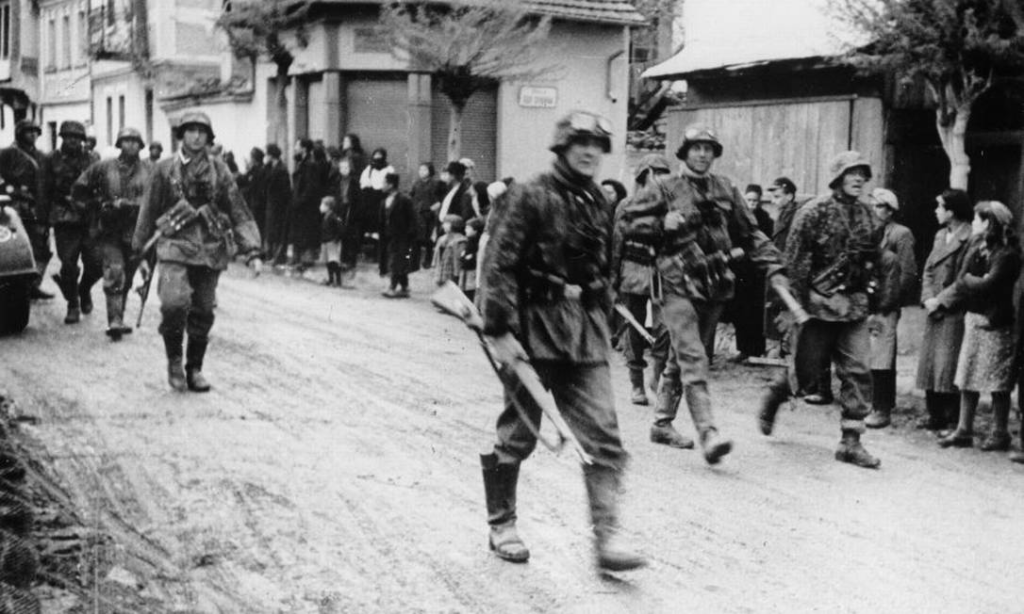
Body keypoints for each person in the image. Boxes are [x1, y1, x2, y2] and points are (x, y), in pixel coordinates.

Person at [477, 110, 645, 571]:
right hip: (533, 330)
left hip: (584, 334)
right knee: (518, 433)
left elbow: (605, 268)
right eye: (580, 144)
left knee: (604, 436)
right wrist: (499, 330)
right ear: (562, 148)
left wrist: (603, 313)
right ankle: (502, 524)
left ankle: (607, 539)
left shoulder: (599, 202)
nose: (589, 152)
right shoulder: (528, 195)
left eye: (596, 145)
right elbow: (499, 264)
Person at [622, 125, 787, 464]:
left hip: (714, 283)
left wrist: (776, 265)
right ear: (684, 152)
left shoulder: (726, 188)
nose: (702, 154)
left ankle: (661, 423)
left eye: (708, 148)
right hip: (676, 282)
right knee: (693, 356)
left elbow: (750, 232)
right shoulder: (663, 187)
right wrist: (660, 225)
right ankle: (708, 433)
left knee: (682, 355)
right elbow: (627, 223)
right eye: (696, 148)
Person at [758, 151, 883, 469]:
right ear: (838, 177)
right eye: (852, 173)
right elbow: (795, 261)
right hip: (816, 306)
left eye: (862, 174)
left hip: (853, 307)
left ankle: (851, 441)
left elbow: (873, 262)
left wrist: (871, 302)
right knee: (806, 374)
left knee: (858, 370)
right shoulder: (813, 212)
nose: (858, 179)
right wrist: (799, 305)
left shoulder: (869, 217)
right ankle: (777, 394)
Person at [132, 111, 263, 392]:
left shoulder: (219, 170)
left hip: (209, 249)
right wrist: (140, 251)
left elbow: (237, 209)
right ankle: (174, 361)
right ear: (182, 135)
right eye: (190, 130)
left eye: (202, 131)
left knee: (203, 311)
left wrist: (252, 251)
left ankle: (194, 368)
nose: (196, 136)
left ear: (209, 137)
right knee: (173, 304)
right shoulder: (164, 169)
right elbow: (148, 210)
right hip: (173, 246)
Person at [936, 201, 1021, 450]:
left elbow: (989, 284)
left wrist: (973, 280)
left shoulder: (1007, 254)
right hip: (974, 319)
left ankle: (1000, 433)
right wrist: (975, 279)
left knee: (998, 380)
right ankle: (964, 430)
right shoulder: (977, 247)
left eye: (976, 219)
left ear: (988, 223)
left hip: (995, 323)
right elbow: (963, 277)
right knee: (968, 374)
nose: (972, 223)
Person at [71, 127, 152, 340]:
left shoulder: (149, 170)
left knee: (128, 277)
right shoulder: (103, 167)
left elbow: (159, 197)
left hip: (136, 232)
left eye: (135, 141)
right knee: (115, 272)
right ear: (119, 144)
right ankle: (114, 320)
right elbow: (79, 189)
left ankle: (119, 316)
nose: (131, 145)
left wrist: (137, 206)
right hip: (110, 230)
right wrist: (97, 206)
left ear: (141, 145)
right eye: (126, 140)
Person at [612, 154, 671, 409]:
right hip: (633, 271)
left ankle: (655, 378)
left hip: (664, 274)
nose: (663, 179)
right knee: (633, 327)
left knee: (665, 329)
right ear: (646, 175)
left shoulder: (673, 207)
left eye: (666, 173)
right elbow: (617, 243)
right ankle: (636, 382)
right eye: (659, 173)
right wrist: (613, 279)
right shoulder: (627, 206)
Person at [863, 188, 918, 428]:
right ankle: (876, 402)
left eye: (879, 206)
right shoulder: (871, 232)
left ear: (890, 210)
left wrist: (892, 301)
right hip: (871, 301)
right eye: (873, 206)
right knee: (873, 353)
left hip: (887, 303)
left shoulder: (900, 233)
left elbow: (907, 272)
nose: (875, 210)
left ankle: (882, 408)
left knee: (882, 355)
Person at [41, 120, 98, 324]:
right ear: (62, 138)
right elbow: (44, 191)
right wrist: (43, 222)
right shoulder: (51, 159)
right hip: (64, 217)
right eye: (68, 137)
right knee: (68, 264)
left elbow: (101, 185)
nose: (73, 141)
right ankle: (73, 305)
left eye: (77, 137)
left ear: (82, 140)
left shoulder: (92, 158)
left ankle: (84, 289)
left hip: (89, 216)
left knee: (96, 263)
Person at [0, 119, 54, 300]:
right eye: (28, 131)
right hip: (14, 207)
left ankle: (34, 286)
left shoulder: (43, 157)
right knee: (14, 246)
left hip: (37, 207)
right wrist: (12, 190)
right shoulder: (7, 153)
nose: (32, 134)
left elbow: (48, 184)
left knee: (42, 248)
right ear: (20, 133)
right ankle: (13, 287)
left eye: (35, 131)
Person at [727, 183, 775, 362]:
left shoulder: (765, 220)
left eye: (755, 200)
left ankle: (756, 350)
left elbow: (765, 245)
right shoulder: (737, 219)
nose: (752, 204)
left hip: (757, 273)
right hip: (741, 272)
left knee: (756, 313)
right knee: (740, 312)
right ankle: (743, 349)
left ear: (760, 201)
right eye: (749, 200)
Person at [289, 139, 326, 271]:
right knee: (300, 232)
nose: (295, 148)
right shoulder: (302, 164)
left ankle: (306, 260)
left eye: (297, 146)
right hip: (300, 205)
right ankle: (299, 259)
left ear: (304, 149)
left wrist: (300, 200)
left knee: (306, 233)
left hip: (306, 207)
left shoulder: (310, 165)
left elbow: (311, 187)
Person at [379, 173, 416, 298]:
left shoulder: (404, 200)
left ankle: (392, 287)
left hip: (402, 236)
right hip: (389, 236)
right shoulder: (384, 201)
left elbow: (412, 219)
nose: (382, 185)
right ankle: (405, 287)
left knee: (396, 261)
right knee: (398, 261)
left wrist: (410, 236)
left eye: (384, 183)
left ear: (391, 185)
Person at [410, 162, 445, 270]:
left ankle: (428, 260)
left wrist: (431, 209)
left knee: (429, 239)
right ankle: (414, 263)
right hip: (418, 214)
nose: (422, 172)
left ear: (430, 171)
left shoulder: (435, 184)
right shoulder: (416, 183)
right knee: (416, 239)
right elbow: (412, 196)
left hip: (430, 214)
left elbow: (439, 200)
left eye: (425, 169)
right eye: (420, 169)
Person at [263, 143, 291, 266]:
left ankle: (278, 256)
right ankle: (272, 255)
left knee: (278, 231)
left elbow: (285, 190)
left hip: (279, 206)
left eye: (267, 154)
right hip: (271, 204)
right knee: (271, 230)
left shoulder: (281, 169)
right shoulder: (271, 167)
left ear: (271, 155)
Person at [436, 161, 475, 230]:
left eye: (447, 174)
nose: (445, 177)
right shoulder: (448, 189)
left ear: (453, 176)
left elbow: (464, 216)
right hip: (443, 228)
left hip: (453, 230)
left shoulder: (464, 193)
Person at [241, 147, 268, 239]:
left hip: (258, 205)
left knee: (258, 229)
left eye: (251, 157)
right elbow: (244, 180)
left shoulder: (260, 171)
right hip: (254, 204)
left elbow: (254, 186)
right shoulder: (253, 170)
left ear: (254, 159)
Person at [433, 214, 466, 288]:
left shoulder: (460, 240)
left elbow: (458, 259)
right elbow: (437, 255)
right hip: (441, 271)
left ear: (454, 225)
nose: (443, 226)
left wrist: (457, 273)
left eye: (446, 223)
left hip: (452, 272)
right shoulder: (442, 239)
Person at [319, 195, 345, 287]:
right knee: (328, 262)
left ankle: (338, 280)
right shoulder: (326, 216)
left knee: (333, 261)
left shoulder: (333, 217)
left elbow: (340, 229)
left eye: (322, 204)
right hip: (326, 241)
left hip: (331, 242)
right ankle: (331, 279)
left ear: (328, 206)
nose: (320, 207)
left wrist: (336, 239)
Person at [459, 217, 484, 302]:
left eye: (468, 228)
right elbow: (464, 257)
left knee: (470, 292)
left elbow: (471, 257)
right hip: (465, 271)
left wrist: (468, 257)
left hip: (472, 272)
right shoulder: (469, 241)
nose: (465, 230)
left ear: (475, 230)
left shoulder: (477, 243)